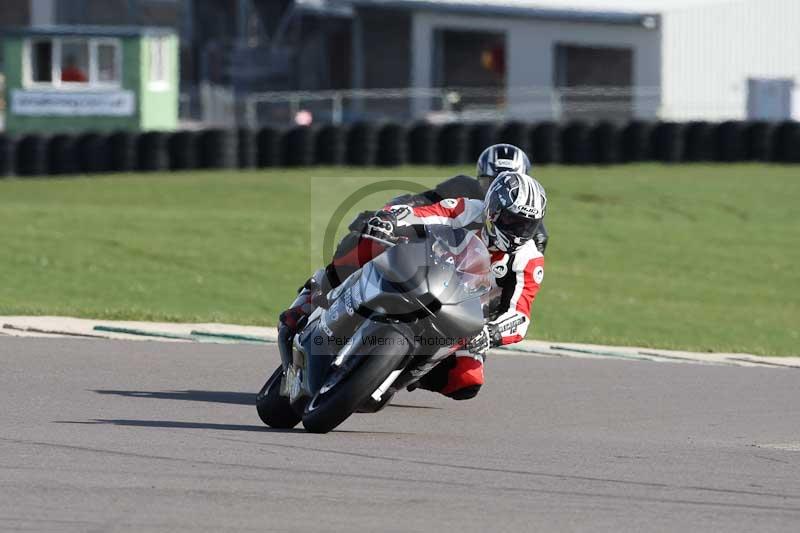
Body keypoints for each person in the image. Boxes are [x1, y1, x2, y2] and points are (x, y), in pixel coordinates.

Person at [282, 171, 548, 401]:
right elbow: (425, 214)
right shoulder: (469, 210)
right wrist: (391, 221)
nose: (519, 231)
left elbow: (520, 315)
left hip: (462, 314)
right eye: (513, 221)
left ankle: (400, 375)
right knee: (371, 240)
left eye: (528, 225)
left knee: (467, 380)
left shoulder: (529, 259)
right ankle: (317, 295)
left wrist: (490, 334)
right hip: (424, 272)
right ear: (494, 211)